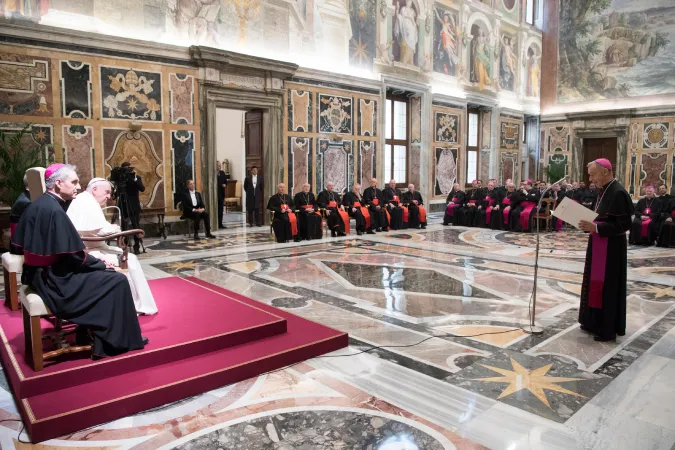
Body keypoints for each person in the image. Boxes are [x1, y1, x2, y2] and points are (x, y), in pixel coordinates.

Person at [11, 164, 147, 357]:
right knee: (117, 280)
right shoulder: (55, 211)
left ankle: (89, 333)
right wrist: (102, 264)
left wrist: (95, 264)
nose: (78, 186)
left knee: (102, 274)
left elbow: (17, 246)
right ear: (58, 183)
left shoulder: (38, 204)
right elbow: (75, 255)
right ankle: (114, 341)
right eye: (74, 182)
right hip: (56, 282)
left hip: (38, 274)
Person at [67, 178, 158, 315]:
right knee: (129, 259)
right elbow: (99, 230)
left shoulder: (87, 200)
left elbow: (96, 227)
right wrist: (114, 229)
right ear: (95, 190)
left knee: (130, 257)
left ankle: (137, 304)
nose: (109, 197)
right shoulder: (85, 202)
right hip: (88, 250)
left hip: (96, 246)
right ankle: (131, 306)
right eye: (107, 192)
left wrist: (111, 228)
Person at [578, 159, 634, 342]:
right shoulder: (602, 191)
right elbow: (599, 217)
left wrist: (596, 228)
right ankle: (592, 321)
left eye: (593, 174)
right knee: (593, 283)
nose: (591, 179)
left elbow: (624, 224)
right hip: (598, 243)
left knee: (607, 287)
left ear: (605, 171)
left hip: (611, 249)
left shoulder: (618, 193)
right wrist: (588, 225)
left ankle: (606, 328)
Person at [119, 162, 145, 254]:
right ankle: (124, 246)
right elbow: (117, 192)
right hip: (123, 205)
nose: (127, 171)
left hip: (134, 206)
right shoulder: (121, 179)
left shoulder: (136, 178)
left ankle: (137, 247)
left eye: (128, 169)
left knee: (136, 226)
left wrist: (135, 179)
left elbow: (142, 189)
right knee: (124, 226)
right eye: (125, 169)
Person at [216, 161, 228, 229]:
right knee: (215, 210)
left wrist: (225, 185)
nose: (220, 167)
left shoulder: (222, 173)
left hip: (221, 194)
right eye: (218, 165)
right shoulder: (212, 173)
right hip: (214, 195)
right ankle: (214, 224)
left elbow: (225, 182)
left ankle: (220, 224)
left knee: (220, 210)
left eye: (220, 166)